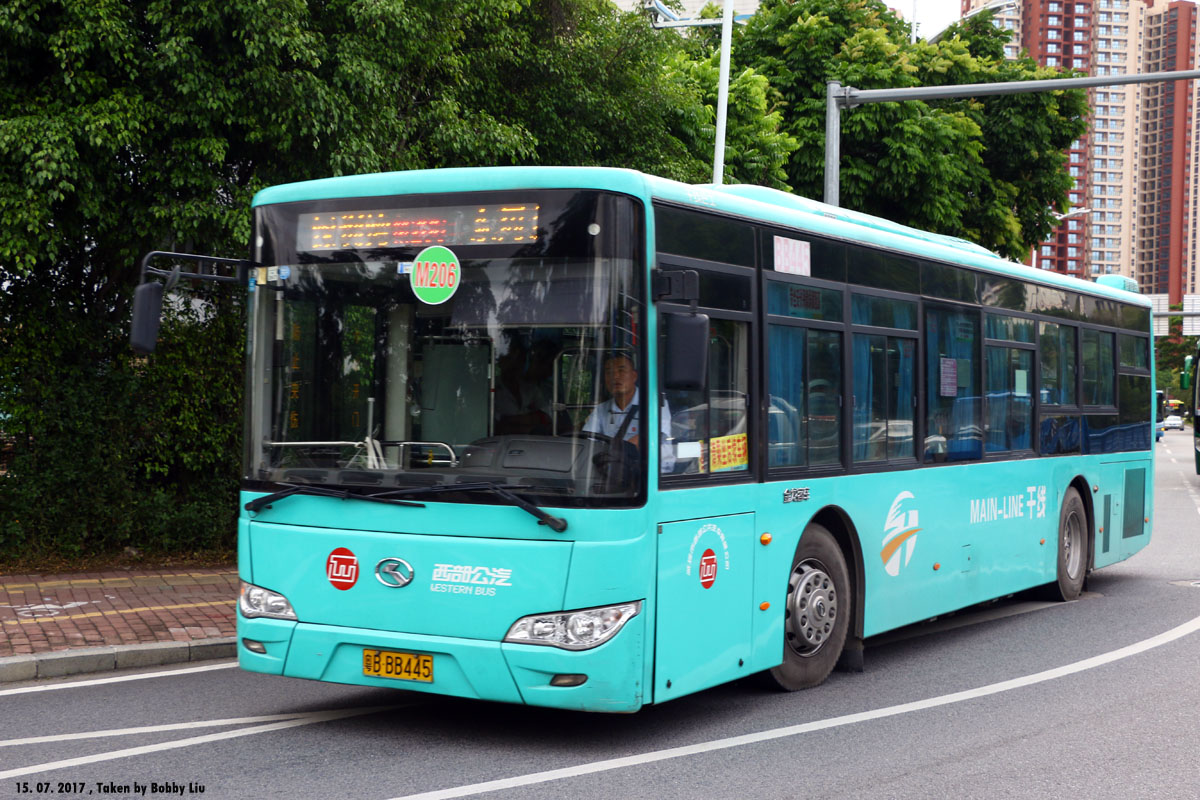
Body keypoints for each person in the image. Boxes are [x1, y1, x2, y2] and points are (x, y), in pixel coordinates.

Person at [582, 352, 674, 473]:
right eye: (609, 372)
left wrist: (608, 456)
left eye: (621, 370)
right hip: (613, 472)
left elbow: (646, 439)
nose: (615, 376)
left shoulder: (656, 403)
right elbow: (588, 441)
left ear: (634, 376)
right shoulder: (601, 409)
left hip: (652, 474)